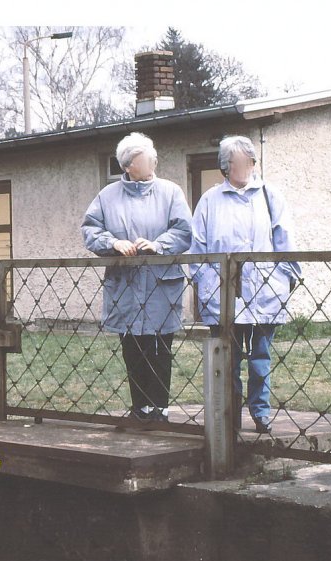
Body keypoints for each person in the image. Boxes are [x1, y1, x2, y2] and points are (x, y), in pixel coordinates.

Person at [190, 135, 300, 434]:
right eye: (237, 163)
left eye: (249, 162)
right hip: (223, 290)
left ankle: (260, 413)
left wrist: (289, 276)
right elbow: (197, 246)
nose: (245, 167)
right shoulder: (211, 200)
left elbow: (284, 238)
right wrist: (202, 280)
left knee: (261, 356)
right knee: (229, 356)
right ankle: (229, 414)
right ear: (226, 167)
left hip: (265, 288)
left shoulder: (269, 195)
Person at [82, 132, 192, 423]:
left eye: (153, 154)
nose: (154, 159)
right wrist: (113, 244)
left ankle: (161, 409)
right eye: (147, 156)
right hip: (125, 284)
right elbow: (90, 231)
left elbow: (184, 231)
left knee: (160, 346)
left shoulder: (171, 192)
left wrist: (158, 245)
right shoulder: (107, 197)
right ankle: (140, 408)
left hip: (160, 283)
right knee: (132, 345)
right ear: (129, 165)